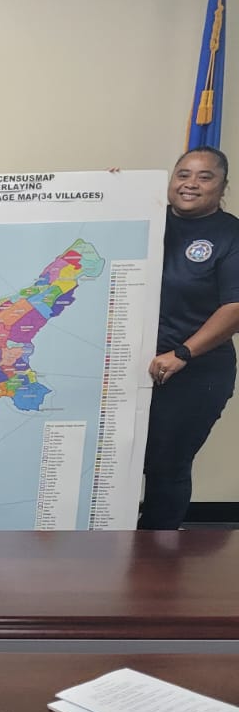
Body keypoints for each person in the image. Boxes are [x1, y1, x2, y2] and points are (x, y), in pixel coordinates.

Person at [141, 146, 239, 529]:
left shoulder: (231, 235)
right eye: (183, 174)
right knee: (122, 459)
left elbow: (234, 308)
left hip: (195, 372)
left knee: (167, 465)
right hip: (132, 365)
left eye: (204, 176)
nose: (191, 184)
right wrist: (110, 187)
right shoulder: (150, 219)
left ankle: (155, 561)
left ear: (222, 186)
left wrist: (183, 353)